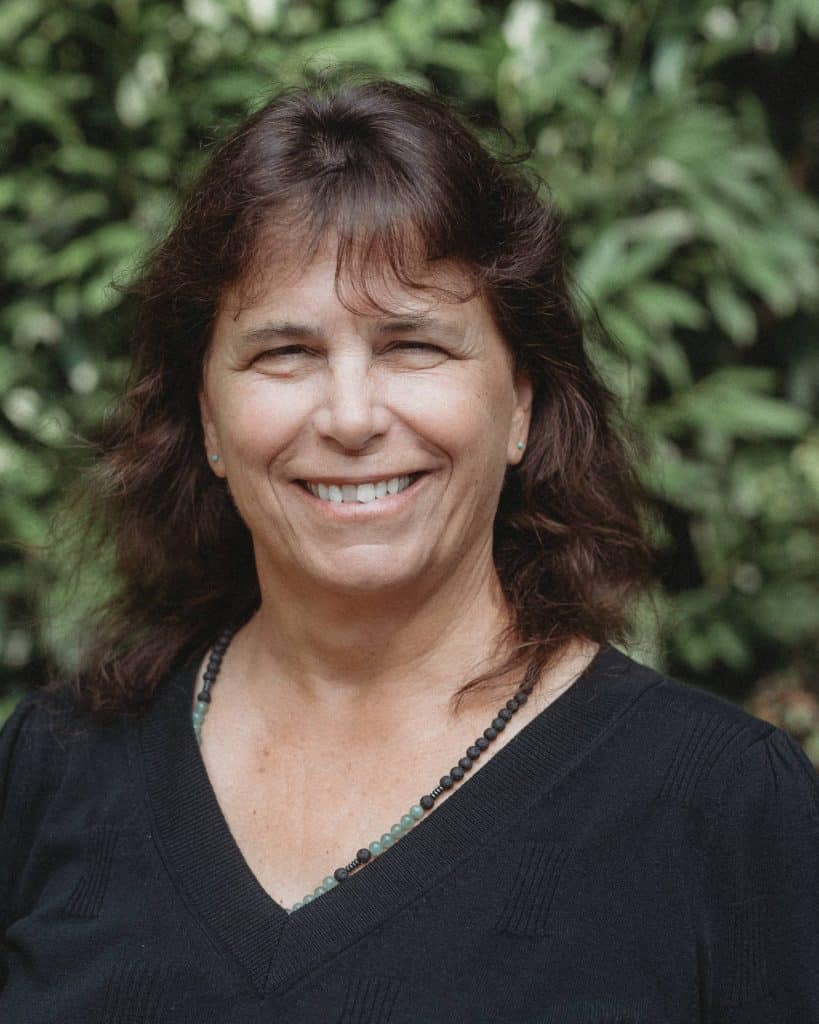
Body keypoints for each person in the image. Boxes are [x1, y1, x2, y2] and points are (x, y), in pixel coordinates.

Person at [1, 75, 816, 1023]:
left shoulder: (720, 807)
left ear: (520, 403)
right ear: (207, 421)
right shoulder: (54, 770)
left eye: (411, 345)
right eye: (285, 353)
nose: (351, 418)